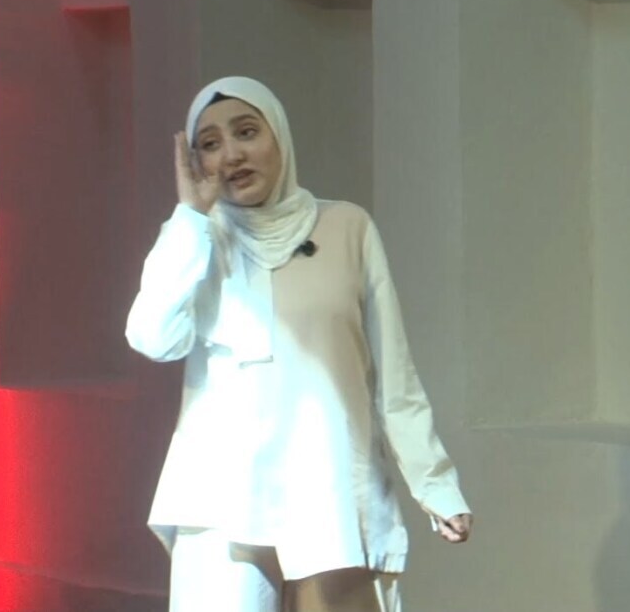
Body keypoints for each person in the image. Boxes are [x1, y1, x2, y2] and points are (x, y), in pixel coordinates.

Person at [125, 76, 473, 612]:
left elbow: (394, 377)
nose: (231, 154)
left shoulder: (347, 227)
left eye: (246, 132)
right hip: (220, 499)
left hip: (329, 490)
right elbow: (153, 338)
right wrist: (191, 217)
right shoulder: (197, 240)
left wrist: (435, 485)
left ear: (279, 136)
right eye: (210, 144)